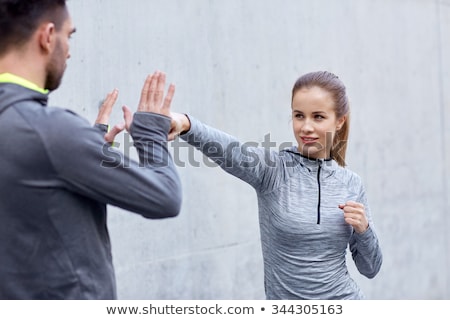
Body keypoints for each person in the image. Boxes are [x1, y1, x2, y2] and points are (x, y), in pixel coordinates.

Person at [0, 0, 182, 299]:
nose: (69, 51)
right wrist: (150, 133)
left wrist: (87, 146)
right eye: (68, 36)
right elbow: (165, 197)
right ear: (47, 37)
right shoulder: (50, 131)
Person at [169, 71, 383, 299]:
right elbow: (231, 150)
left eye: (318, 117)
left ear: (339, 121)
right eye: (299, 116)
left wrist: (364, 230)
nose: (306, 127)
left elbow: (370, 269)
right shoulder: (273, 170)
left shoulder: (351, 183)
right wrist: (186, 124)